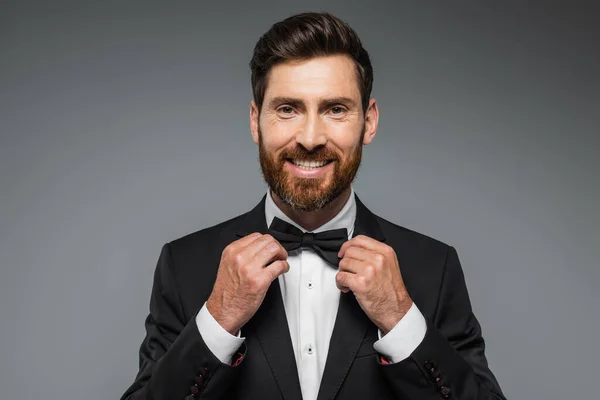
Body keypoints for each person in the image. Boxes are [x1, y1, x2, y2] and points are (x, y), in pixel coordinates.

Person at [121, 12, 506, 400]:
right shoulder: (185, 265)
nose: (309, 138)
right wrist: (218, 320)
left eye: (335, 109)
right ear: (256, 121)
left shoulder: (433, 268)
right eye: (288, 109)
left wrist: (401, 320)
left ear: (368, 122)